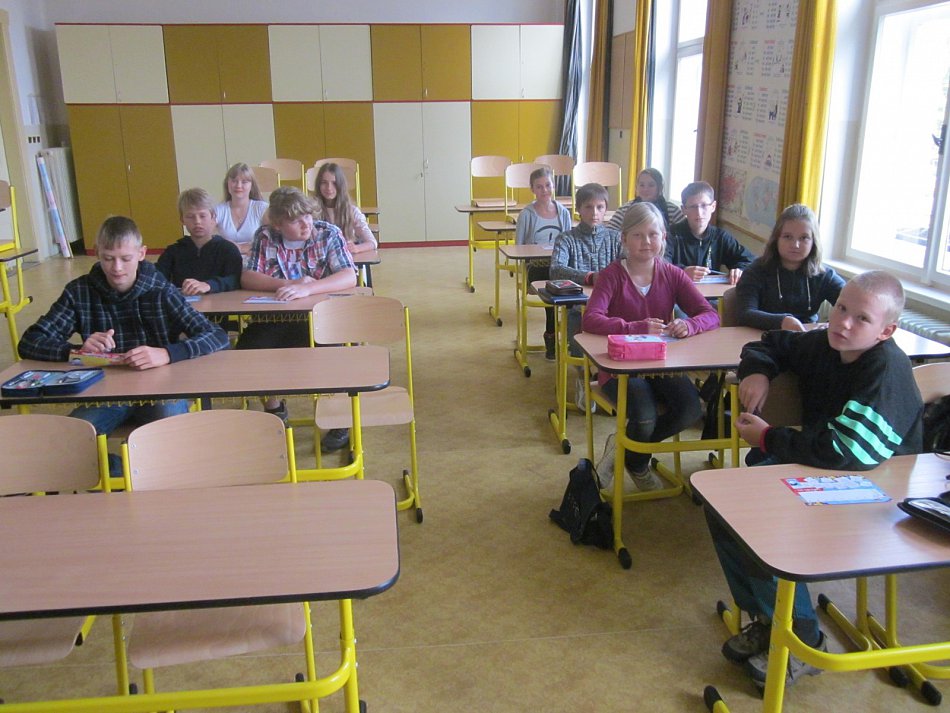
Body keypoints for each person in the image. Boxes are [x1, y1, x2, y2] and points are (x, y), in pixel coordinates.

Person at [709, 270, 924, 693]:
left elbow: (848, 453)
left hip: (876, 494)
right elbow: (768, 343)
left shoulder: (886, 369)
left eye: (861, 318)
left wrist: (769, 438)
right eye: (841, 308)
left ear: (886, 331)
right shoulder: (826, 343)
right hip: (825, 470)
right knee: (724, 508)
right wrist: (757, 371)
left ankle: (803, 638)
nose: (843, 323)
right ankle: (770, 620)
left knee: (760, 519)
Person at [18, 216, 229, 470]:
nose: (117, 268)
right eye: (108, 258)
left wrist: (167, 353)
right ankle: (125, 474)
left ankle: (145, 476)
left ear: (141, 254)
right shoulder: (79, 291)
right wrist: (77, 351)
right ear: (97, 253)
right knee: (65, 444)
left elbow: (216, 335)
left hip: (162, 390)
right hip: (107, 393)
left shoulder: (161, 290)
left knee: (173, 445)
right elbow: (30, 341)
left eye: (125, 259)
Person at [582, 202, 719, 491]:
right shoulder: (612, 275)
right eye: (638, 235)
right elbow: (591, 319)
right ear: (624, 239)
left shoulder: (672, 274)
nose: (646, 242)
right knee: (644, 416)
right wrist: (634, 327)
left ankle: (627, 453)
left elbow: (710, 314)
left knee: (691, 409)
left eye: (653, 234)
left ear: (663, 238)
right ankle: (637, 459)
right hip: (619, 367)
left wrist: (689, 325)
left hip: (660, 363)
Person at [238, 186, 357, 450]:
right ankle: (274, 407)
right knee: (248, 351)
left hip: (322, 319)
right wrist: (288, 283)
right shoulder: (265, 236)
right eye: (295, 220)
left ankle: (339, 419)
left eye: (307, 216)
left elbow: (349, 275)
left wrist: (308, 288)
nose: (305, 224)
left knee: (335, 356)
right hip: (275, 320)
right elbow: (248, 277)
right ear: (278, 224)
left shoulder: (327, 233)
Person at [550, 182, 623, 411]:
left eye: (600, 207)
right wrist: (589, 277)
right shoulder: (566, 238)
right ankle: (584, 376)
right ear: (579, 209)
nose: (594, 213)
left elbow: (628, 265)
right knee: (577, 332)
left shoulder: (616, 238)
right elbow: (556, 269)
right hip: (577, 306)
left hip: (612, 307)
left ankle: (611, 378)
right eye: (588, 207)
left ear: (606, 209)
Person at [735, 203, 845, 331]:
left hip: (807, 337)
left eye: (804, 238)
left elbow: (853, 303)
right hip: (764, 336)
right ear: (776, 239)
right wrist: (783, 321)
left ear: (813, 242)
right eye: (788, 237)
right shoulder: (755, 271)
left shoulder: (824, 275)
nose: (795, 245)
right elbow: (745, 314)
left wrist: (830, 324)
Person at [515, 166, 572, 360]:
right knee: (553, 287)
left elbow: (569, 243)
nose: (544, 190)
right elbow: (519, 247)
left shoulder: (563, 212)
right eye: (539, 187)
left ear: (554, 186)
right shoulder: (527, 214)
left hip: (559, 265)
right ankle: (551, 335)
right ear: (532, 189)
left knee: (571, 288)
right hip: (536, 267)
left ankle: (570, 337)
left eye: (548, 185)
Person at [665, 181, 755, 285]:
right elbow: (660, 264)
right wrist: (682, 271)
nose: (699, 213)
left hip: (710, 293)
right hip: (677, 291)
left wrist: (740, 269)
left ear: (713, 206)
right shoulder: (671, 234)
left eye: (704, 205)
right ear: (683, 209)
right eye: (693, 207)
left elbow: (751, 260)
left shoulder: (720, 237)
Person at [157, 188, 243, 294]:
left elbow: (236, 279)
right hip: (184, 302)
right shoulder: (172, 252)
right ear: (182, 220)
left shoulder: (228, 249)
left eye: (202, 216)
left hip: (220, 302)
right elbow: (157, 278)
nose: (197, 221)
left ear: (213, 217)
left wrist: (209, 285)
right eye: (190, 217)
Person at [312, 162, 377, 254]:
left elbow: (372, 242)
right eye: (324, 183)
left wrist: (357, 248)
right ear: (318, 185)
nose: (329, 188)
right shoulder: (312, 211)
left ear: (340, 185)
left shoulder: (352, 211)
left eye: (334, 183)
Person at [607, 168, 684, 233]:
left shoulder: (672, 210)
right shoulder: (625, 209)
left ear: (660, 188)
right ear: (636, 187)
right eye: (642, 185)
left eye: (651, 185)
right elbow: (609, 233)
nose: (645, 189)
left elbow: (684, 232)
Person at [215, 162, 269, 255]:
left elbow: (272, 238)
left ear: (251, 185)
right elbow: (208, 237)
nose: (238, 186)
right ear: (227, 183)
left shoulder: (262, 209)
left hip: (256, 259)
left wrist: (243, 248)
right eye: (234, 181)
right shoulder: (218, 210)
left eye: (244, 182)